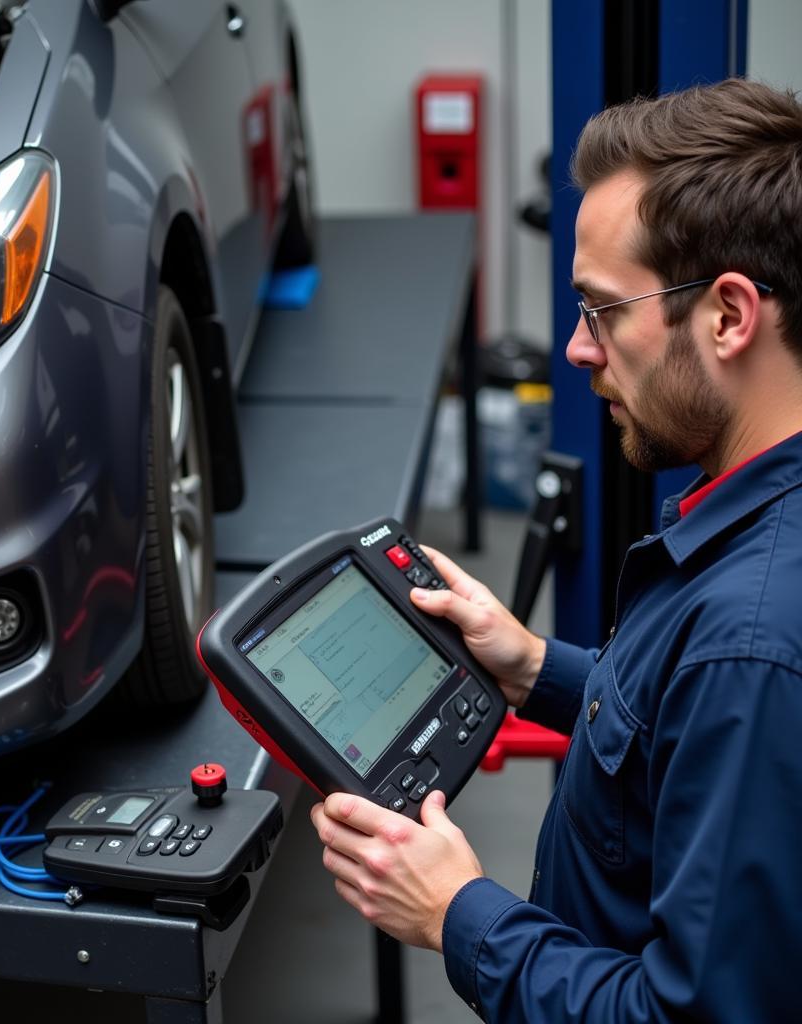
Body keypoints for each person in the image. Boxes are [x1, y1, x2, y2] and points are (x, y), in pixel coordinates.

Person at [310, 77, 802, 1022]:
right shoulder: (750, 518)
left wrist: (459, 914)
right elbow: (679, 739)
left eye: (604, 310)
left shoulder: (752, 643)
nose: (578, 351)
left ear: (731, 316)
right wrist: (538, 668)